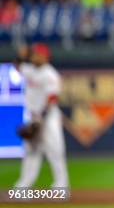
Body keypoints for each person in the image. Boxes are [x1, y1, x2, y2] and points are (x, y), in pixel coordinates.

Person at [14, 43, 69, 189]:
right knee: (31, 151)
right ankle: (24, 185)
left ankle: (61, 185)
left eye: (38, 54)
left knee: (55, 150)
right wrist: (20, 56)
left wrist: (40, 118)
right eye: (34, 54)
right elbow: (18, 67)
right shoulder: (30, 70)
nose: (35, 56)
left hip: (49, 116)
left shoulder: (50, 74)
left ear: (45, 56)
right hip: (33, 116)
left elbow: (52, 98)